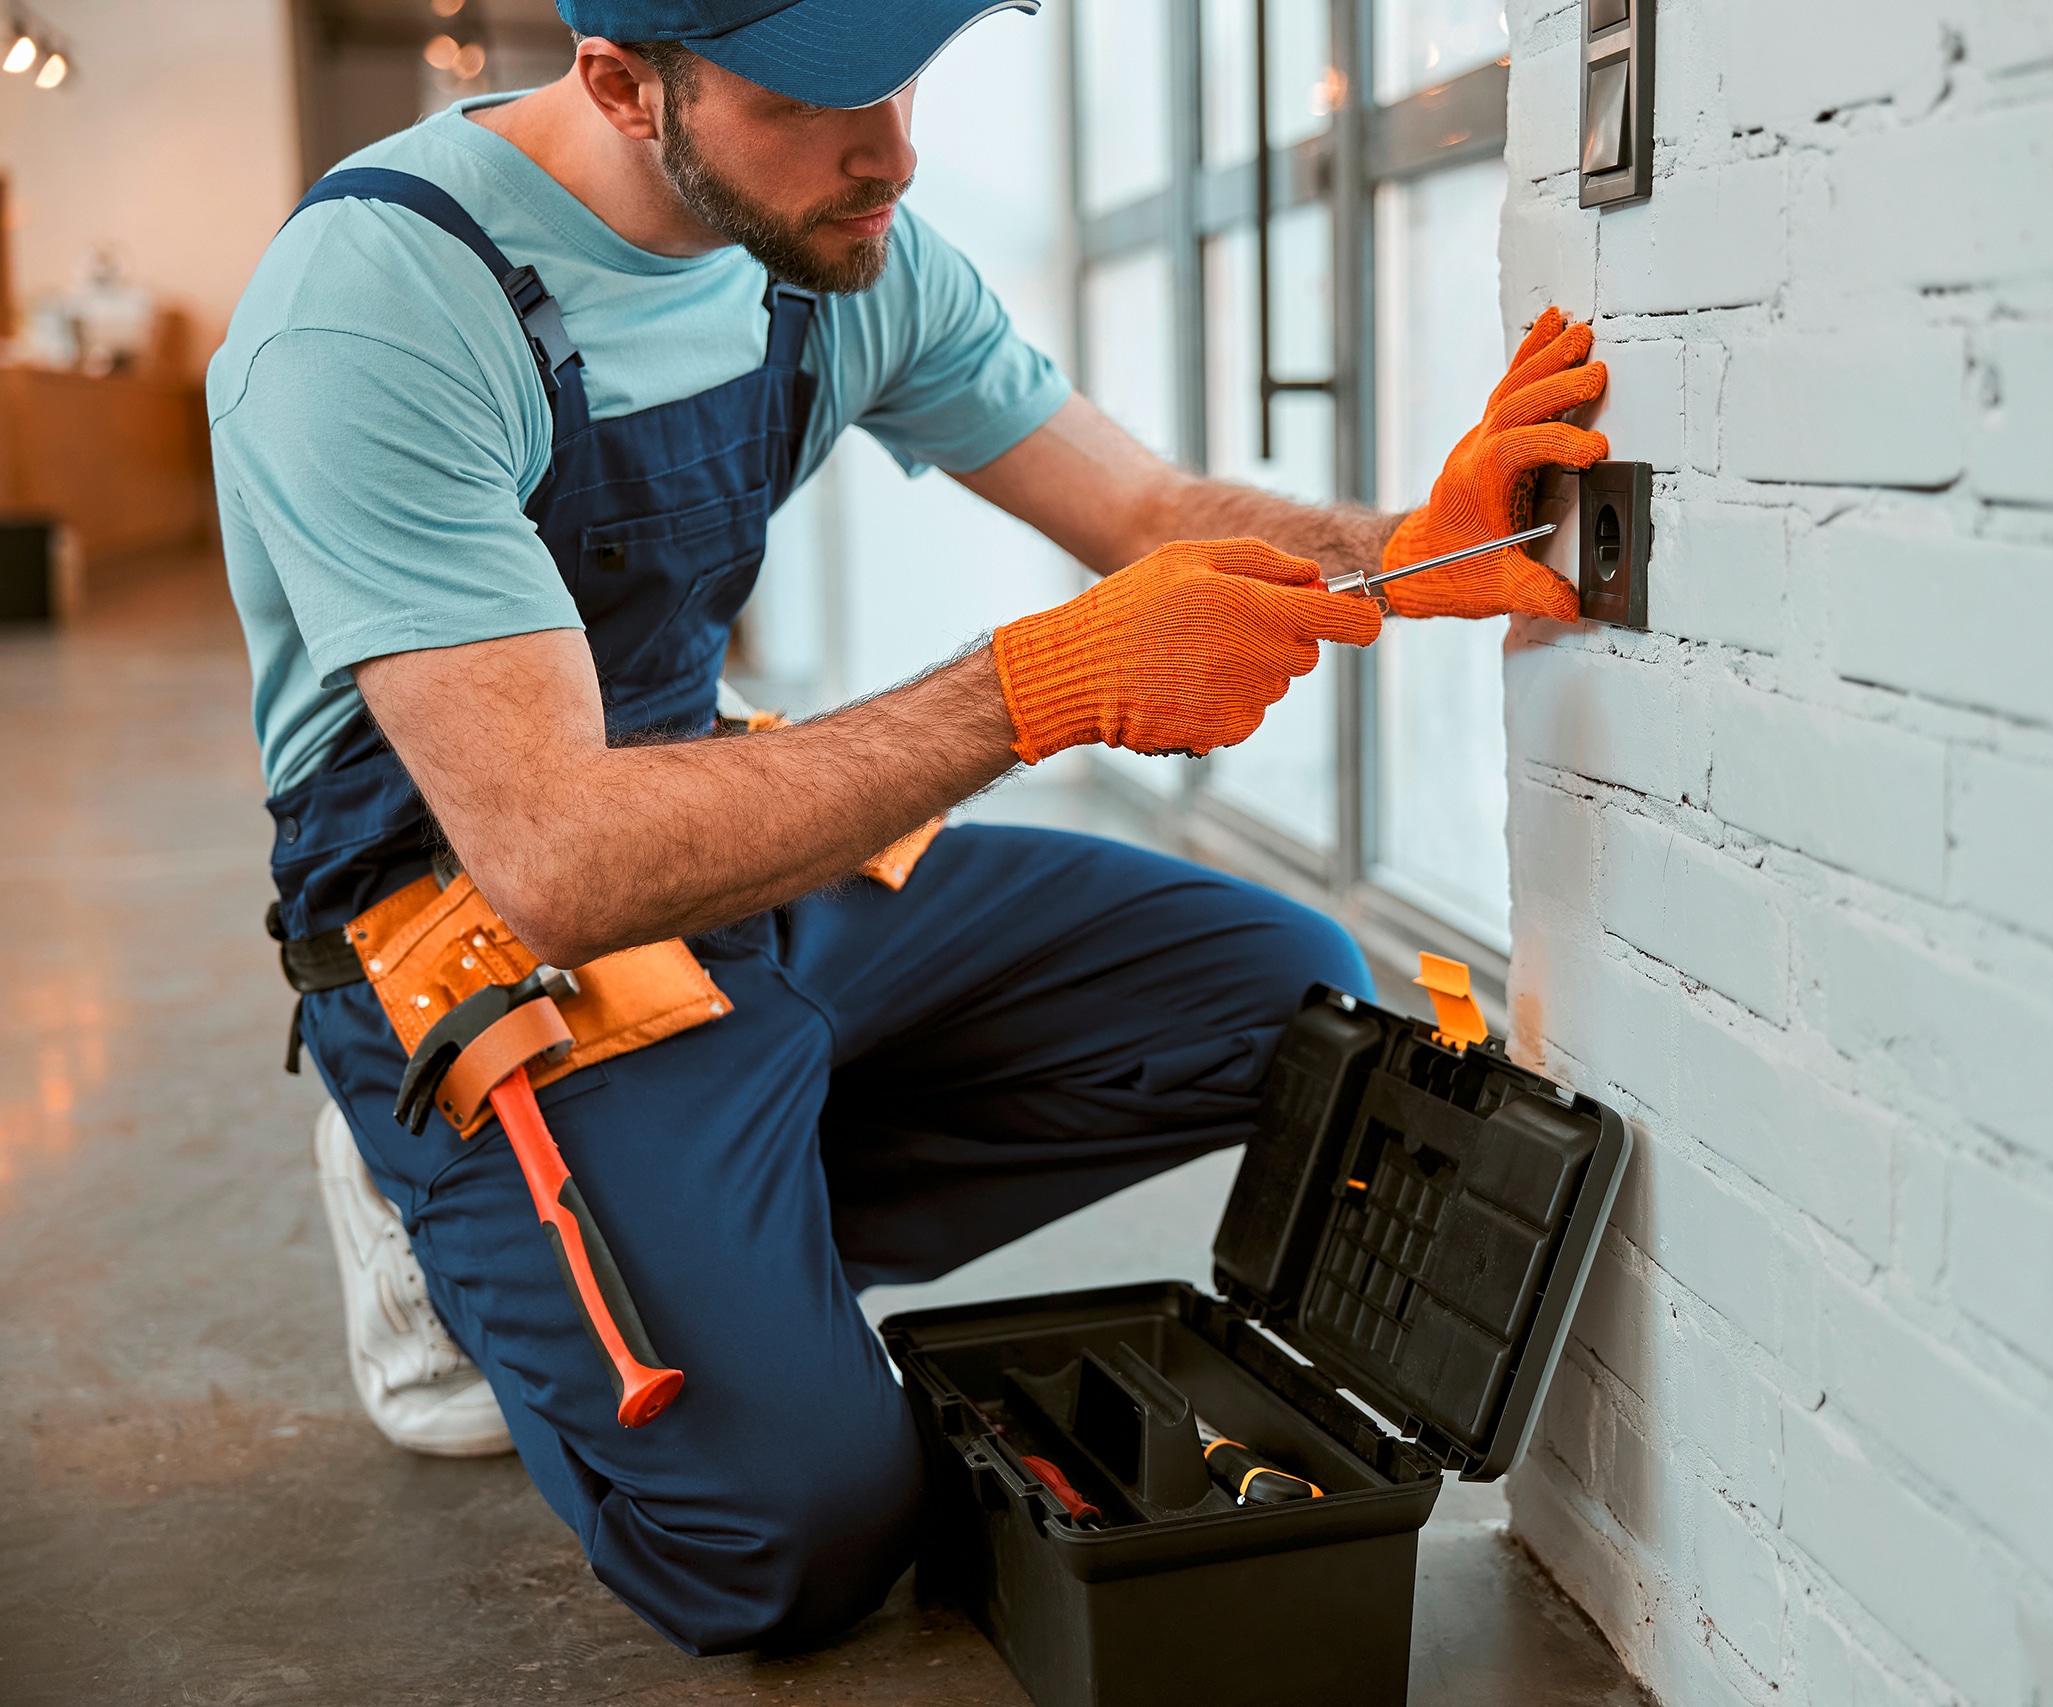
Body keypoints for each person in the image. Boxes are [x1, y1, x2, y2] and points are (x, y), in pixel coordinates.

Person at [215, 0, 1608, 1656]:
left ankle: (712, 1229)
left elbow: (1143, 513)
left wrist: (1411, 543)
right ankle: (446, 1226)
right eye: (815, 98)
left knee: (1282, 998)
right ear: (620, 83)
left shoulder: (835, 244)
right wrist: (1030, 694)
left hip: (733, 839)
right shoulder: (381, 306)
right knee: (790, 1542)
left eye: (902, 79)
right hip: (487, 919)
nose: (889, 149)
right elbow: (559, 854)